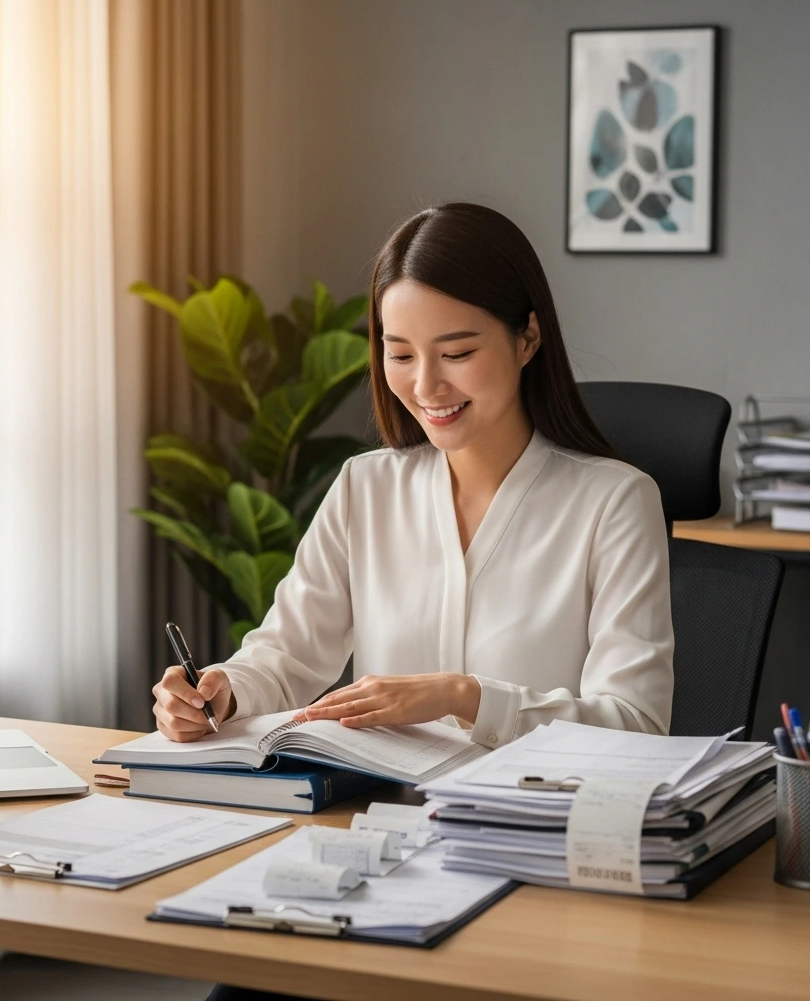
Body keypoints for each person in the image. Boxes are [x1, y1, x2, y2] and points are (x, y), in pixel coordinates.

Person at [152, 202, 674, 750]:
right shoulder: (365, 489)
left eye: (457, 352)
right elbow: (285, 657)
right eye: (400, 355)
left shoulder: (615, 502)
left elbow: (634, 724)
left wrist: (463, 697)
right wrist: (220, 692)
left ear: (528, 338)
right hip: (379, 823)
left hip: (537, 824)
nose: (426, 387)